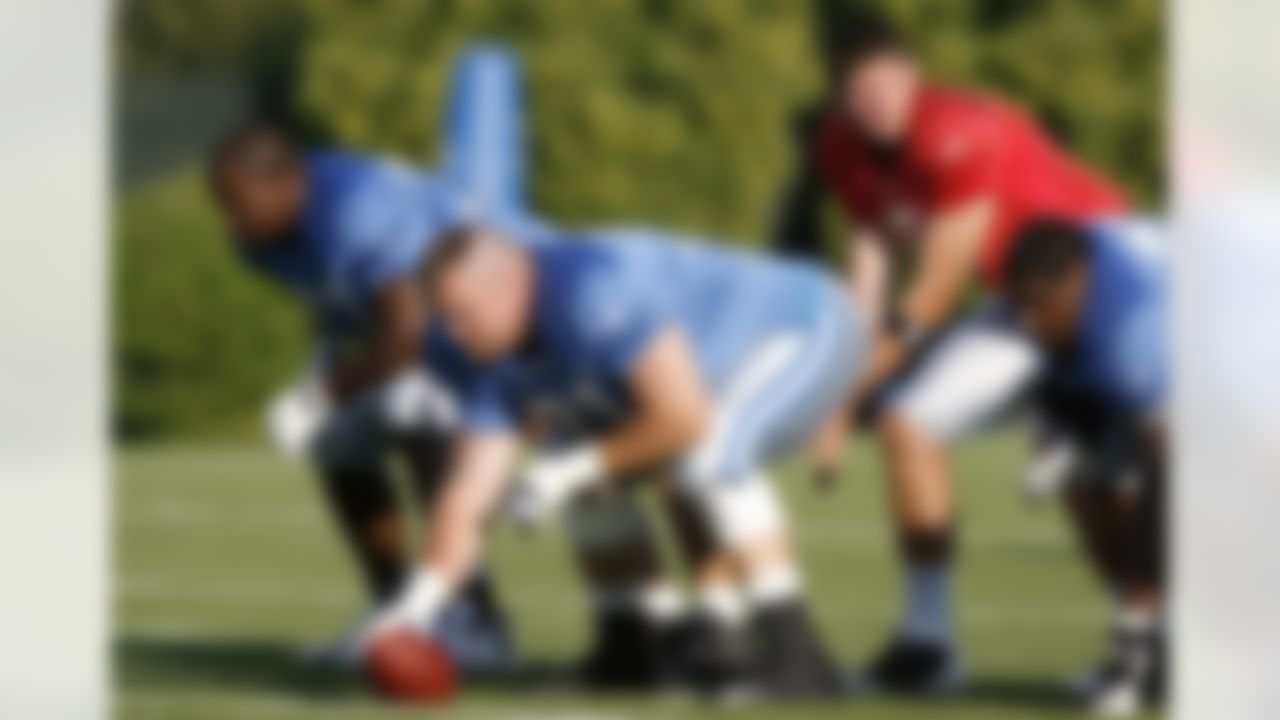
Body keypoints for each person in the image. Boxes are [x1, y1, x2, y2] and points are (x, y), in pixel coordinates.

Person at [770, 15, 1132, 690]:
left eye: (887, 83)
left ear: (914, 76)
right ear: (841, 96)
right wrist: (840, 375)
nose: (877, 101)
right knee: (912, 424)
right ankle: (930, 644)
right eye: (860, 89)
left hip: (1106, 290)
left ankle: (1151, 643)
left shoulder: (960, 130)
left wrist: (839, 400)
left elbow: (933, 290)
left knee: (1115, 474)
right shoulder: (843, 146)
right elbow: (871, 264)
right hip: (1027, 302)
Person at [365, 224, 867, 699]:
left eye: (462, 314)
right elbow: (469, 495)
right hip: (705, 380)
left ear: (508, 283)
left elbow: (680, 418)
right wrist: (414, 611)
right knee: (571, 462)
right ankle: (630, 646)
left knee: (707, 457)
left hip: (804, 326)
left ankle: (800, 655)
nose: (452, 333)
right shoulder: (472, 347)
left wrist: (565, 474)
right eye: (443, 317)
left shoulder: (590, 291)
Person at [206, 46, 524, 671]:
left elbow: (406, 337)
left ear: (284, 183)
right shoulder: (263, 240)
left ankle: (477, 620)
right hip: (432, 340)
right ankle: (396, 610)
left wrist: (318, 393)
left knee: (413, 403)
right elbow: (342, 306)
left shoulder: (353, 209)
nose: (229, 217)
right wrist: (322, 380)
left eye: (237, 199)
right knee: (337, 439)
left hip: (491, 330)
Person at [1006, 218, 1167, 717]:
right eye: (1021, 304)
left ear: (1077, 281)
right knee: (1085, 480)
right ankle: (1158, 652)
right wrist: (1062, 441)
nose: (1029, 322)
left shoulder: (1135, 338)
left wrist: (1134, 621)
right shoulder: (1067, 293)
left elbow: (1171, 489)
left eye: (1039, 303)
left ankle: (1145, 650)